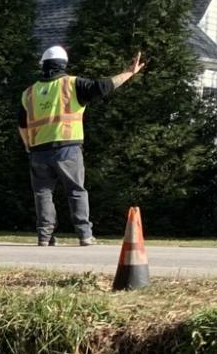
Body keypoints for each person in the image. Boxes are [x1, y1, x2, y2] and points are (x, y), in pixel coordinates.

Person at [19, 44, 144, 246]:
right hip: (67, 149)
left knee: (42, 193)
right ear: (64, 64)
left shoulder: (29, 93)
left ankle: (44, 236)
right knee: (76, 190)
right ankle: (85, 235)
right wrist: (129, 73)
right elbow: (104, 86)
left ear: (42, 65)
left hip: (38, 151)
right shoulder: (72, 84)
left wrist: (28, 146)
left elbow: (22, 125)